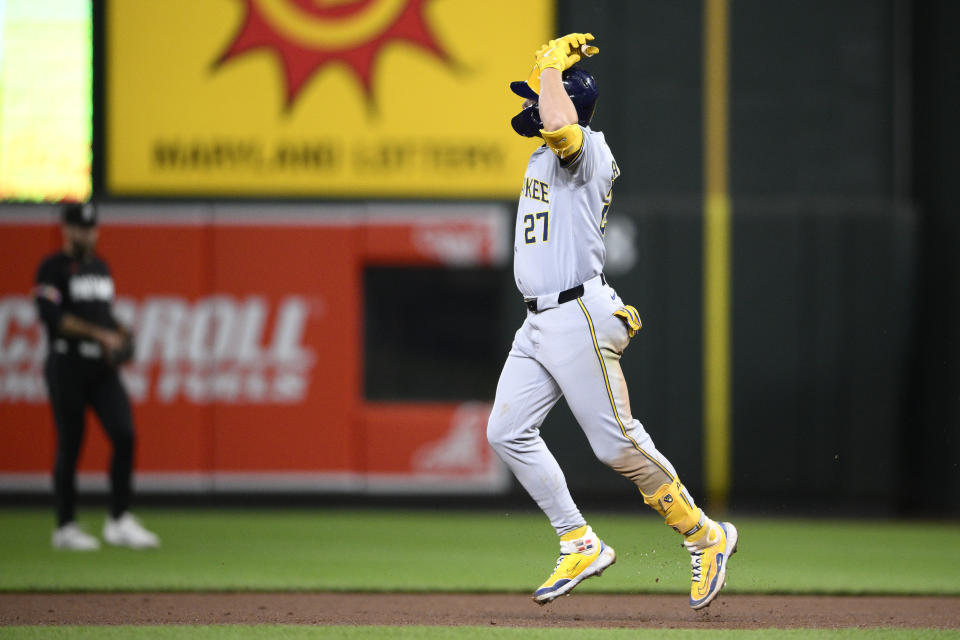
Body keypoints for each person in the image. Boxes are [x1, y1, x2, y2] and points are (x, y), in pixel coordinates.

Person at [487, 33, 737, 609]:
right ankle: (578, 539)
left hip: (577, 313)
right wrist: (550, 78)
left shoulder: (586, 153)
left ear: (568, 106)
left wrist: (553, 70)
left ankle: (706, 535)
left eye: (542, 95)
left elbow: (560, 125)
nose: (531, 103)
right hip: (539, 323)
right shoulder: (544, 156)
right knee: (506, 431)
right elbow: (551, 124)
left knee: (615, 443)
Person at [34, 202, 159, 550]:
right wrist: (100, 335)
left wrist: (120, 330)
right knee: (71, 444)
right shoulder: (52, 268)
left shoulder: (101, 267)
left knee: (125, 434)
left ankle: (119, 520)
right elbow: (51, 316)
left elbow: (102, 314)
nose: (88, 233)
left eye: (92, 227)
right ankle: (66, 527)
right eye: (81, 227)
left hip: (102, 369)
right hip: (67, 365)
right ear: (67, 229)